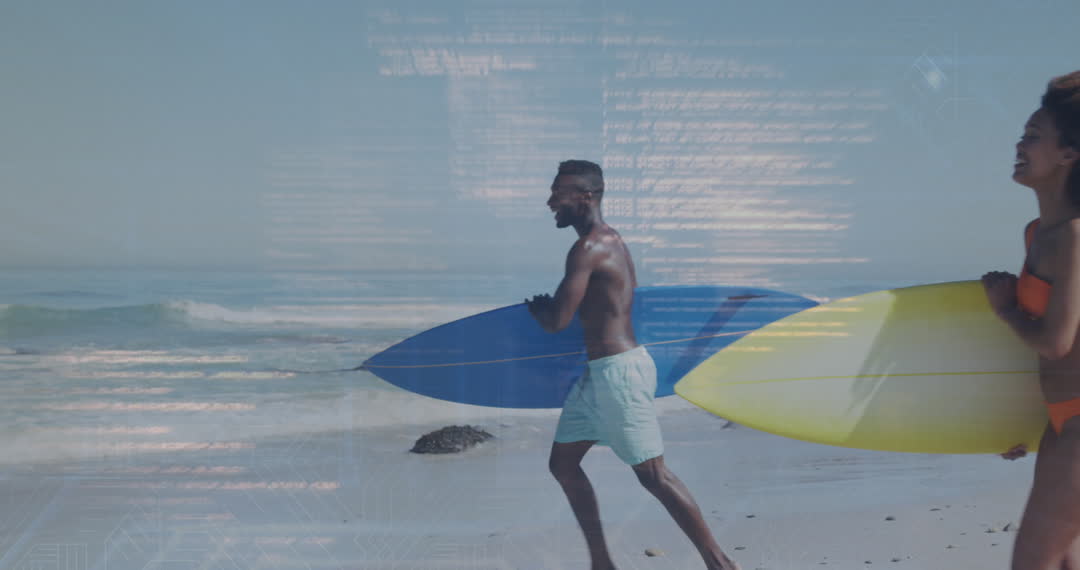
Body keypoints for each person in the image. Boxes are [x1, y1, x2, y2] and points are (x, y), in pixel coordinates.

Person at [525, 160, 740, 570]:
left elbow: (558, 321)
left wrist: (539, 311)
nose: (551, 201)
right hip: (598, 375)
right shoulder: (610, 241)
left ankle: (722, 565)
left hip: (619, 375)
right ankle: (602, 563)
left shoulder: (589, 248)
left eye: (559, 193)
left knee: (654, 475)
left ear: (585, 196)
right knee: (563, 465)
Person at [982, 71, 1080, 570]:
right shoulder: (1038, 232)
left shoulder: (1073, 237)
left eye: (1033, 136)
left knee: (1034, 561)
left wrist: (1004, 310)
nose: (1019, 145)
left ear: (1069, 153)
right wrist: (1012, 421)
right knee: (1059, 560)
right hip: (1062, 422)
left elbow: (1057, 342)